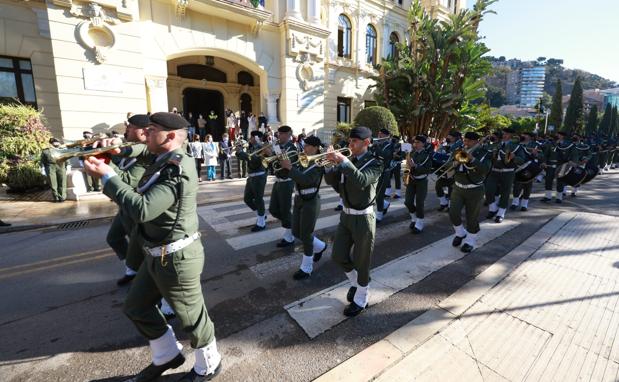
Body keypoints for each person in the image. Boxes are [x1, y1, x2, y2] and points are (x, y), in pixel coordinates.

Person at [83, 112, 222, 382]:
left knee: (192, 317)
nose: (144, 134)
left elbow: (144, 210)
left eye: (151, 130)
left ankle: (209, 363)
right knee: (136, 307)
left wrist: (108, 177)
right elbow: (136, 149)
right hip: (157, 254)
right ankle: (166, 355)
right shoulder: (158, 155)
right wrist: (115, 148)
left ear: (169, 136)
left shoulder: (177, 168)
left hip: (177, 257)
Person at [324, 126, 383, 317]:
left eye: (354, 142)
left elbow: (361, 181)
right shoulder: (347, 162)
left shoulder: (375, 163)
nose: (350, 145)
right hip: (346, 216)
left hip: (364, 218)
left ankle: (361, 298)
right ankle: (355, 283)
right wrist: (330, 165)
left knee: (362, 261)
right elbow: (334, 184)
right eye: (349, 141)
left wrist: (344, 162)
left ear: (366, 143)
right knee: (338, 255)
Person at [279, 135, 328, 280]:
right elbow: (286, 174)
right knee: (296, 231)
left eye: (306, 146)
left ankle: (306, 268)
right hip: (299, 199)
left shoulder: (319, 163)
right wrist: (281, 163)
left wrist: (290, 168)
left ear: (314, 148)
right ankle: (320, 246)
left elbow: (306, 180)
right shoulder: (302, 160)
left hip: (311, 200)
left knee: (306, 235)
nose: (304, 148)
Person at [449, 132, 492, 253]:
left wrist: (472, 159)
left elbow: (484, 170)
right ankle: (460, 232)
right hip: (458, 188)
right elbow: (449, 164)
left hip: (474, 189)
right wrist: (454, 163)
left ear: (476, 141)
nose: (465, 143)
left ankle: (470, 240)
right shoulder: (459, 151)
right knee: (453, 212)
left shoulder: (484, 153)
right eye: (465, 140)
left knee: (471, 217)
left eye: (468, 141)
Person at [485, 128, 525, 223]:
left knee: (505, 193)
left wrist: (514, 157)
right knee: (488, 189)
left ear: (511, 135)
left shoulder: (517, 147)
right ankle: (493, 208)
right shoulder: (497, 144)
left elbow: (522, 160)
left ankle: (500, 213)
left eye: (506, 134)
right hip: (494, 171)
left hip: (508, 171)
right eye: (503, 134)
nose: (504, 135)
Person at [268, 125, 298, 247]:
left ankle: (289, 236)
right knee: (273, 209)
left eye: (280, 134)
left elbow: (286, 163)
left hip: (287, 181)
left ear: (287, 135)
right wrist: (270, 153)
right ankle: (292, 224)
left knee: (285, 210)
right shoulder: (279, 146)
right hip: (278, 180)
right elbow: (274, 163)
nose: (278, 136)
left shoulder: (292, 148)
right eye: (278, 134)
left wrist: (274, 152)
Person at [236, 131, 268, 231]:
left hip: (259, 176)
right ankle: (261, 213)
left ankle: (261, 223)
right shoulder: (251, 147)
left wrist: (241, 152)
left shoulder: (261, 148)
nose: (250, 138)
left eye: (252, 137)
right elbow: (246, 159)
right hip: (251, 177)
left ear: (257, 138)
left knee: (258, 199)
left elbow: (254, 160)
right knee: (247, 199)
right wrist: (238, 152)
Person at [404, 136, 432, 234]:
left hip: (422, 181)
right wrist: (406, 175)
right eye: (414, 142)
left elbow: (428, 169)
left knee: (420, 202)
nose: (415, 144)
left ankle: (419, 223)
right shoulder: (411, 153)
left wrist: (415, 166)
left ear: (423, 144)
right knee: (408, 202)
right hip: (411, 180)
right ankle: (414, 218)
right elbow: (407, 165)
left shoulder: (427, 155)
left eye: (418, 142)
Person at [510, 132, 541, 212]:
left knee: (527, 186)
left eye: (525, 135)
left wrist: (536, 154)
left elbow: (541, 155)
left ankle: (524, 205)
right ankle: (515, 203)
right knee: (517, 186)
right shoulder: (517, 143)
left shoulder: (535, 144)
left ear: (530, 137)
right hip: (518, 167)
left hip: (529, 168)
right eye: (522, 134)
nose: (523, 136)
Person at [435, 131, 463, 212]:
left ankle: (450, 206)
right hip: (444, 167)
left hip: (453, 168)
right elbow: (441, 153)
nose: (448, 137)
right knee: (438, 185)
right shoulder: (446, 144)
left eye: (450, 136)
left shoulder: (459, 146)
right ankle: (443, 203)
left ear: (455, 138)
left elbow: (457, 157)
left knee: (451, 188)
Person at [374, 129, 396, 223]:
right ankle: (385, 204)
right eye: (379, 134)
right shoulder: (379, 144)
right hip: (376, 171)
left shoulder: (390, 145)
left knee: (379, 193)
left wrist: (376, 146)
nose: (379, 136)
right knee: (374, 193)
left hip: (384, 172)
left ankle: (379, 215)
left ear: (386, 135)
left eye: (381, 134)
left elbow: (384, 155)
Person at [40, 138, 67, 202]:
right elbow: (42, 161)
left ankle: (62, 197)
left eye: (58, 142)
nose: (57, 143)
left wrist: (68, 165)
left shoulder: (62, 150)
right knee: (53, 183)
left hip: (61, 166)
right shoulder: (45, 151)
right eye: (55, 142)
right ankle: (56, 197)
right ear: (51, 143)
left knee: (62, 182)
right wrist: (42, 168)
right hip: (50, 167)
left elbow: (66, 157)